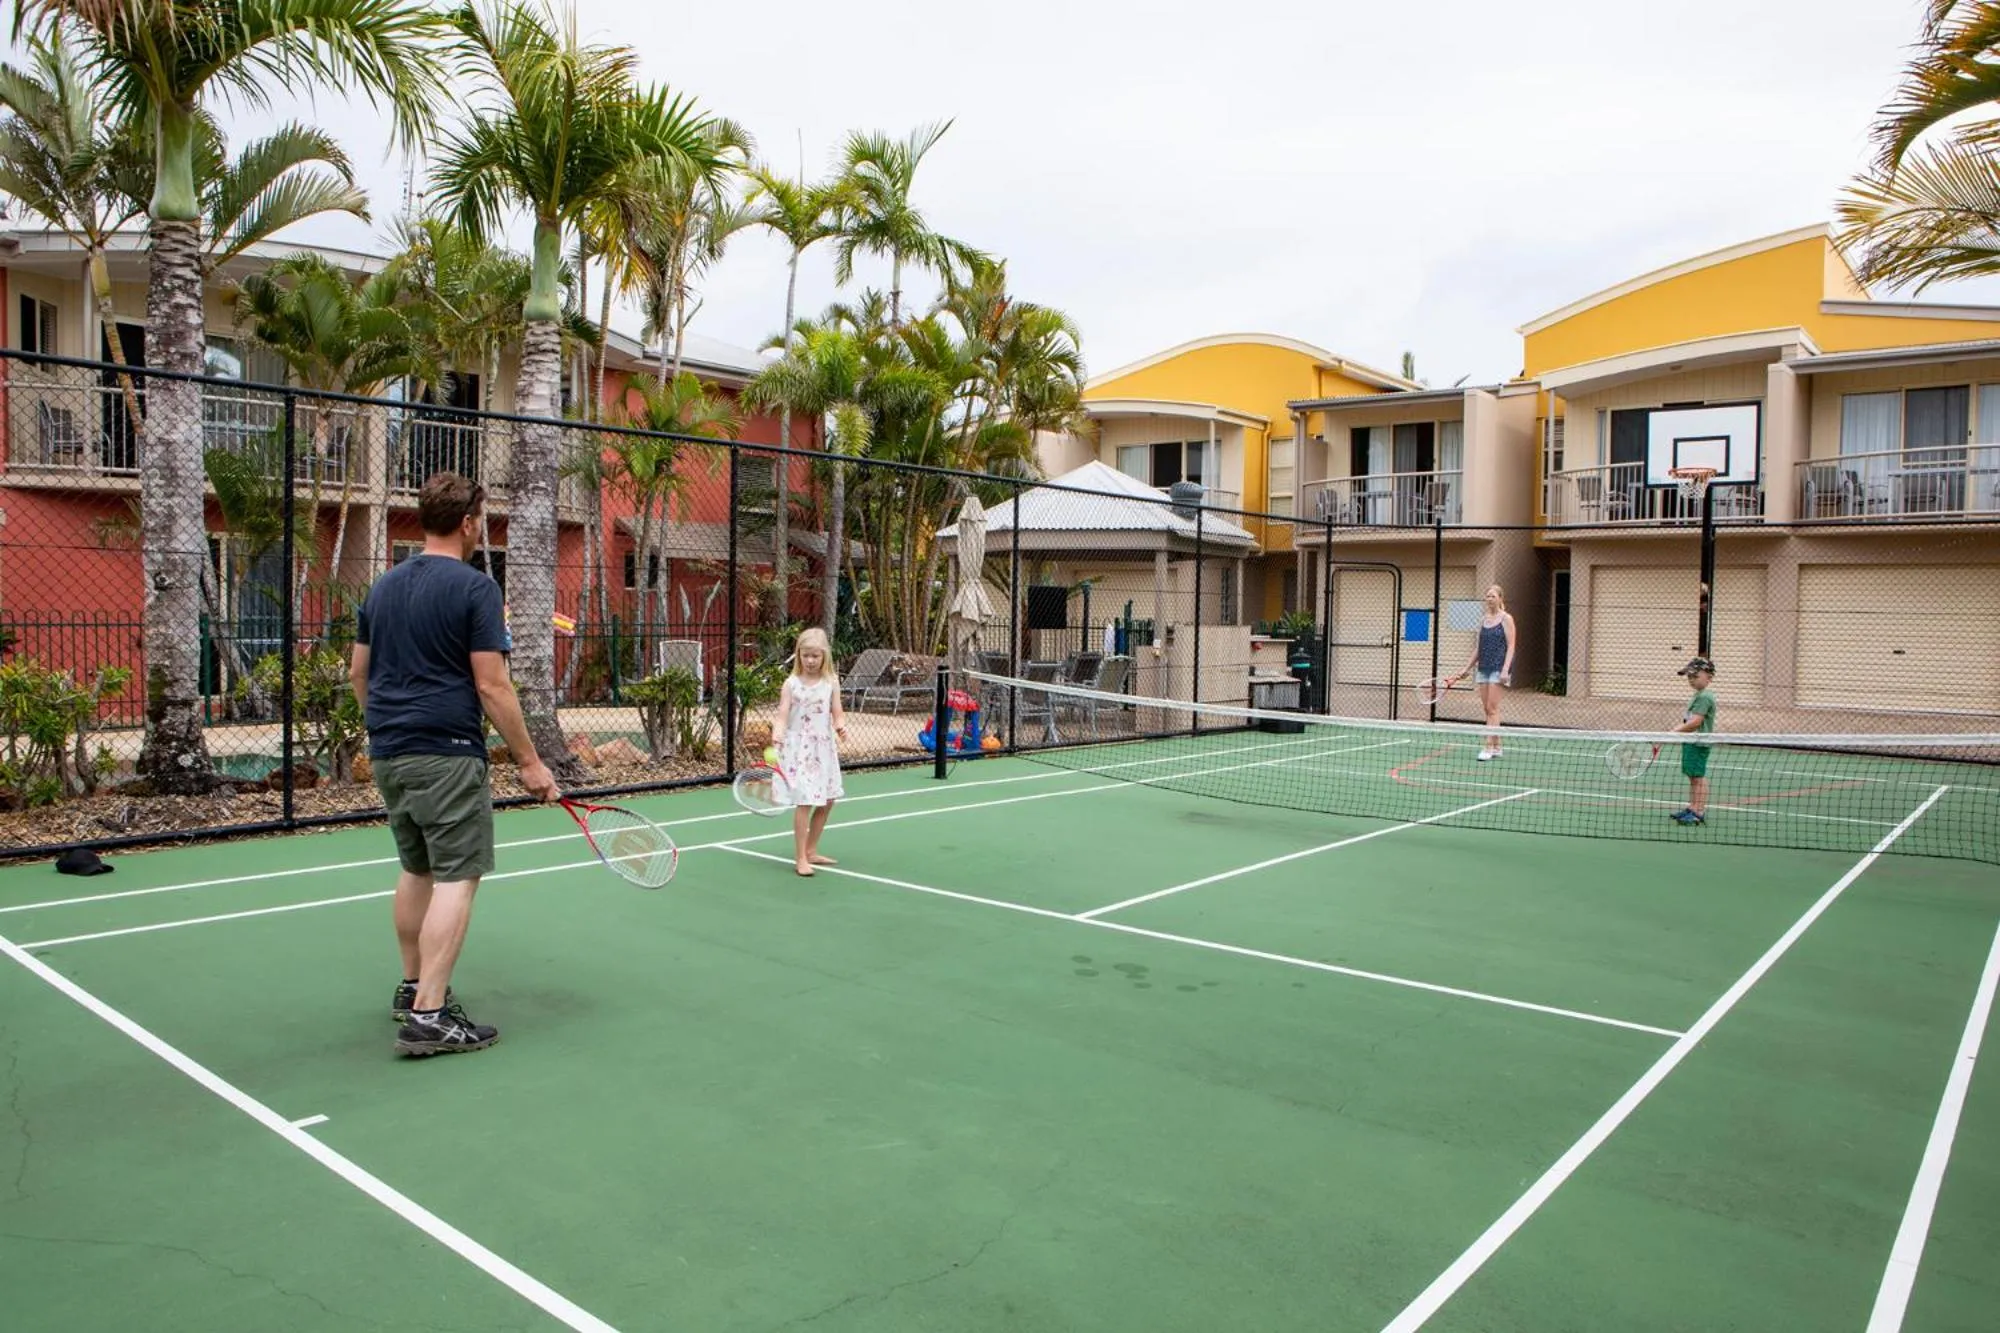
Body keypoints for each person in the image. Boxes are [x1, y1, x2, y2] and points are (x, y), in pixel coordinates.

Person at [351, 473, 559, 1057]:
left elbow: (357, 675)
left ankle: (414, 986)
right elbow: (493, 685)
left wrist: (387, 727)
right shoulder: (476, 589)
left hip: (389, 753)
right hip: (446, 755)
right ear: (469, 522)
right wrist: (529, 761)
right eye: (482, 521)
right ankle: (430, 1014)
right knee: (456, 877)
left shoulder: (383, 587)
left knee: (417, 868)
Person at [771, 626, 849, 877]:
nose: (811, 660)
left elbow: (837, 711)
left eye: (815, 656)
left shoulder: (830, 683)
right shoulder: (790, 684)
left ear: (824, 655)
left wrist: (840, 726)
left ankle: (811, 849)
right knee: (805, 801)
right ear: (798, 655)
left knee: (827, 801)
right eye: (806, 655)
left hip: (823, 748)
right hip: (798, 750)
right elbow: (783, 714)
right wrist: (778, 734)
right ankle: (800, 857)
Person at [1446, 584, 1516, 762]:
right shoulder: (1483, 620)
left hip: (1499, 669)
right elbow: (1478, 648)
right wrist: (1465, 669)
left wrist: (1506, 669)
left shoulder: (1506, 619)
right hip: (1483, 668)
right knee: (1488, 709)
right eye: (1487, 596)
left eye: (1493, 596)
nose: (1489, 599)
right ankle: (1498, 746)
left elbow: (1511, 645)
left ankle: (1488, 747)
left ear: (1500, 598)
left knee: (1492, 708)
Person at [1671, 656, 1717, 826]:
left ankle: (1698, 812)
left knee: (1698, 777)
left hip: (1699, 743)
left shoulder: (1705, 697)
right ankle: (1693, 807)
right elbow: (1688, 721)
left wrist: (1674, 732)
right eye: (1689, 676)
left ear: (1709, 677)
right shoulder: (1698, 695)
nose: (1691, 680)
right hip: (1691, 742)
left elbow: (1695, 722)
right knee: (1692, 777)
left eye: (1695, 676)